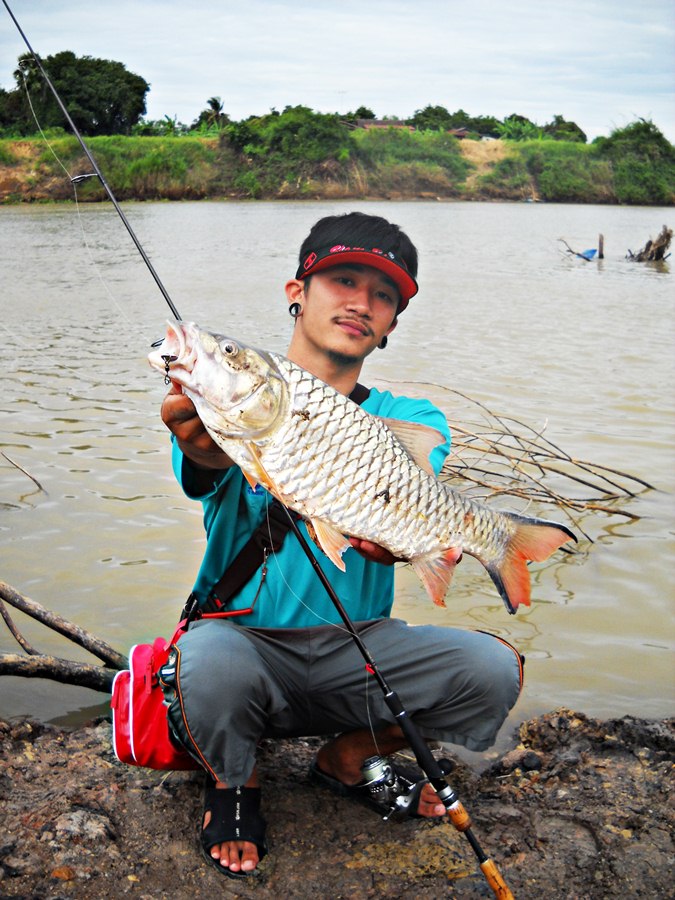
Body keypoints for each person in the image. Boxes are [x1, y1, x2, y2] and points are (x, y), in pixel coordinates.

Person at [159, 211, 524, 879]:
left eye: (382, 295)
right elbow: (204, 461)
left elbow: (413, 482)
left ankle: (348, 755)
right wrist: (200, 438)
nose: (360, 303)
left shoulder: (412, 419)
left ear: (389, 325)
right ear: (296, 291)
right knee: (203, 658)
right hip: (243, 649)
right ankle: (235, 782)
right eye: (341, 280)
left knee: (493, 670)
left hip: (355, 653)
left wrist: (413, 539)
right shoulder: (230, 405)